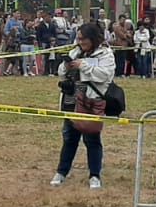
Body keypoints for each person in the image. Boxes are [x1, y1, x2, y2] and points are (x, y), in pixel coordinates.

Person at [50, 21, 116, 191]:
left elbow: (104, 75)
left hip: (91, 102)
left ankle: (95, 175)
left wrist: (83, 65)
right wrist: (66, 66)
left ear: (92, 39)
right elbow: (60, 72)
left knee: (92, 139)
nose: (79, 42)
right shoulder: (75, 51)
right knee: (69, 138)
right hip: (71, 100)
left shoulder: (106, 54)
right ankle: (61, 172)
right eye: (78, 38)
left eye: (82, 39)